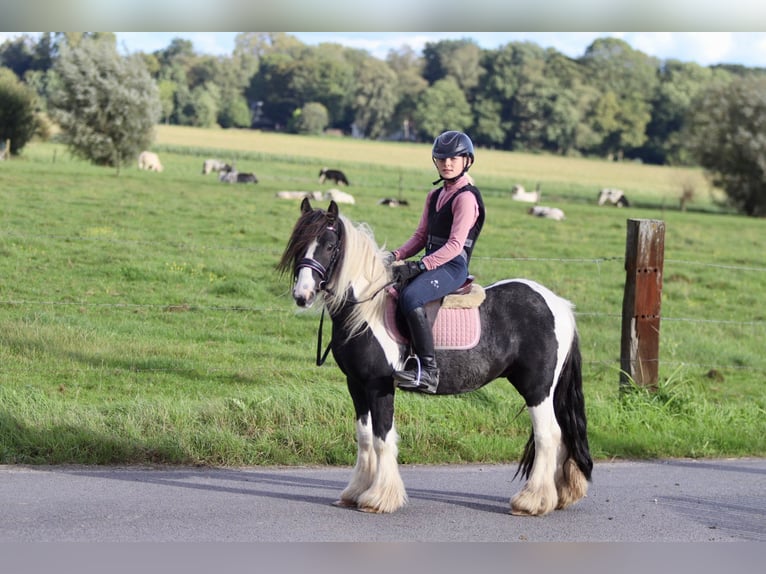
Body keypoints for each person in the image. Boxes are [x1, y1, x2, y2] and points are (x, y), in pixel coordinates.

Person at [386, 131, 485, 394]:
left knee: (412, 297)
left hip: (452, 267)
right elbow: (421, 236)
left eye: (453, 158)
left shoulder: (466, 198)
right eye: (441, 158)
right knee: (392, 289)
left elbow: (454, 246)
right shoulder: (434, 196)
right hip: (433, 262)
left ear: (467, 161)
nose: (447, 163)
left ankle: (428, 371)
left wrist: (420, 266)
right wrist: (395, 256)